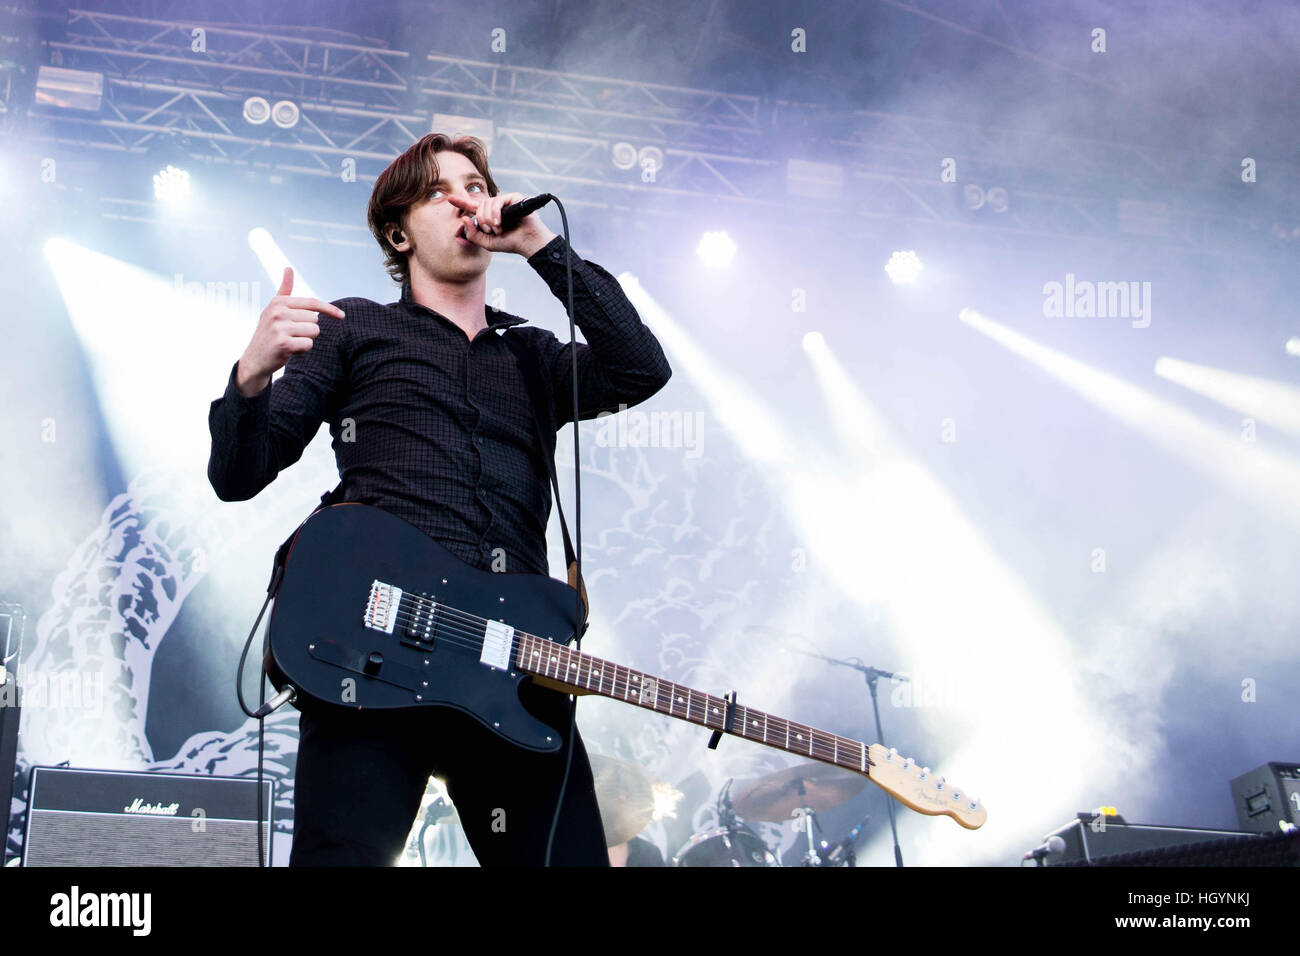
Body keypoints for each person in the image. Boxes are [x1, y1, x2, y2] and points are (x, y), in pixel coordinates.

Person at [207, 132, 671, 866]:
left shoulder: (534, 358)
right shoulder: (354, 327)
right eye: (439, 191)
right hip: (375, 650)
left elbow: (642, 369)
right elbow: (241, 473)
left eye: (476, 186)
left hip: (514, 670)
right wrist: (251, 378)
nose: (466, 200)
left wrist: (541, 244)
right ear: (398, 231)